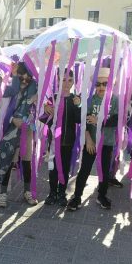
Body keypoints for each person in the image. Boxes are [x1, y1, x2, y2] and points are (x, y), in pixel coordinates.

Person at [67, 67, 118, 211]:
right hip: (91, 142)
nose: (101, 87)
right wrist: (88, 139)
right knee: (84, 170)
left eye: (105, 84)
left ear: (111, 84)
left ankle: (102, 195)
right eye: (98, 84)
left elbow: (117, 120)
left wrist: (99, 121)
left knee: (104, 170)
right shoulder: (89, 99)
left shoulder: (115, 100)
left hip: (107, 142)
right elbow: (83, 121)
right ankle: (77, 197)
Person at [0, 62, 38, 208]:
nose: (24, 81)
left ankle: (27, 191)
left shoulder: (35, 91)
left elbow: (42, 107)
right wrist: (13, 119)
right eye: (21, 78)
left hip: (27, 131)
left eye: (28, 79)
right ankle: (3, 194)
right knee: (8, 161)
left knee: (26, 161)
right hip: (10, 132)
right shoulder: (8, 89)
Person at [42, 70, 81, 207]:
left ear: (73, 82)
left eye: (70, 80)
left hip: (68, 141)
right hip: (53, 142)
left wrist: (78, 106)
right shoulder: (53, 98)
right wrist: (45, 107)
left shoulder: (75, 99)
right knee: (53, 168)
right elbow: (43, 118)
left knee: (64, 167)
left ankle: (62, 193)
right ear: (58, 80)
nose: (66, 83)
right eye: (63, 80)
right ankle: (52, 192)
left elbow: (78, 119)